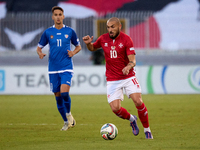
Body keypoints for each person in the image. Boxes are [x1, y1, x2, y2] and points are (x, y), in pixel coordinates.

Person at [83, 17, 153, 139]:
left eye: (113, 27)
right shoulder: (103, 38)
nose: (110, 30)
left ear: (119, 26)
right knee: (115, 109)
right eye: (108, 27)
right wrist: (89, 44)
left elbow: (133, 60)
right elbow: (93, 48)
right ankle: (132, 119)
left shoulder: (126, 39)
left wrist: (128, 66)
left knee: (138, 101)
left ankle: (147, 130)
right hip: (112, 79)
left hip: (128, 76)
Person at [36, 6, 81, 131]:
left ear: (63, 16)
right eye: (55, 14)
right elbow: (39, 47)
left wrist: (73, 53)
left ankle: (68, 114)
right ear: (53, 17)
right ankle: (66, 122)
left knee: (64, 93)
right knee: (57, 96)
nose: (58, 17)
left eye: (60, 14)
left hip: (66, 66)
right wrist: (40, 53)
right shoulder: (48, 32)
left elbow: (78, 46)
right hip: (53, 68)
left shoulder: (70, 31)